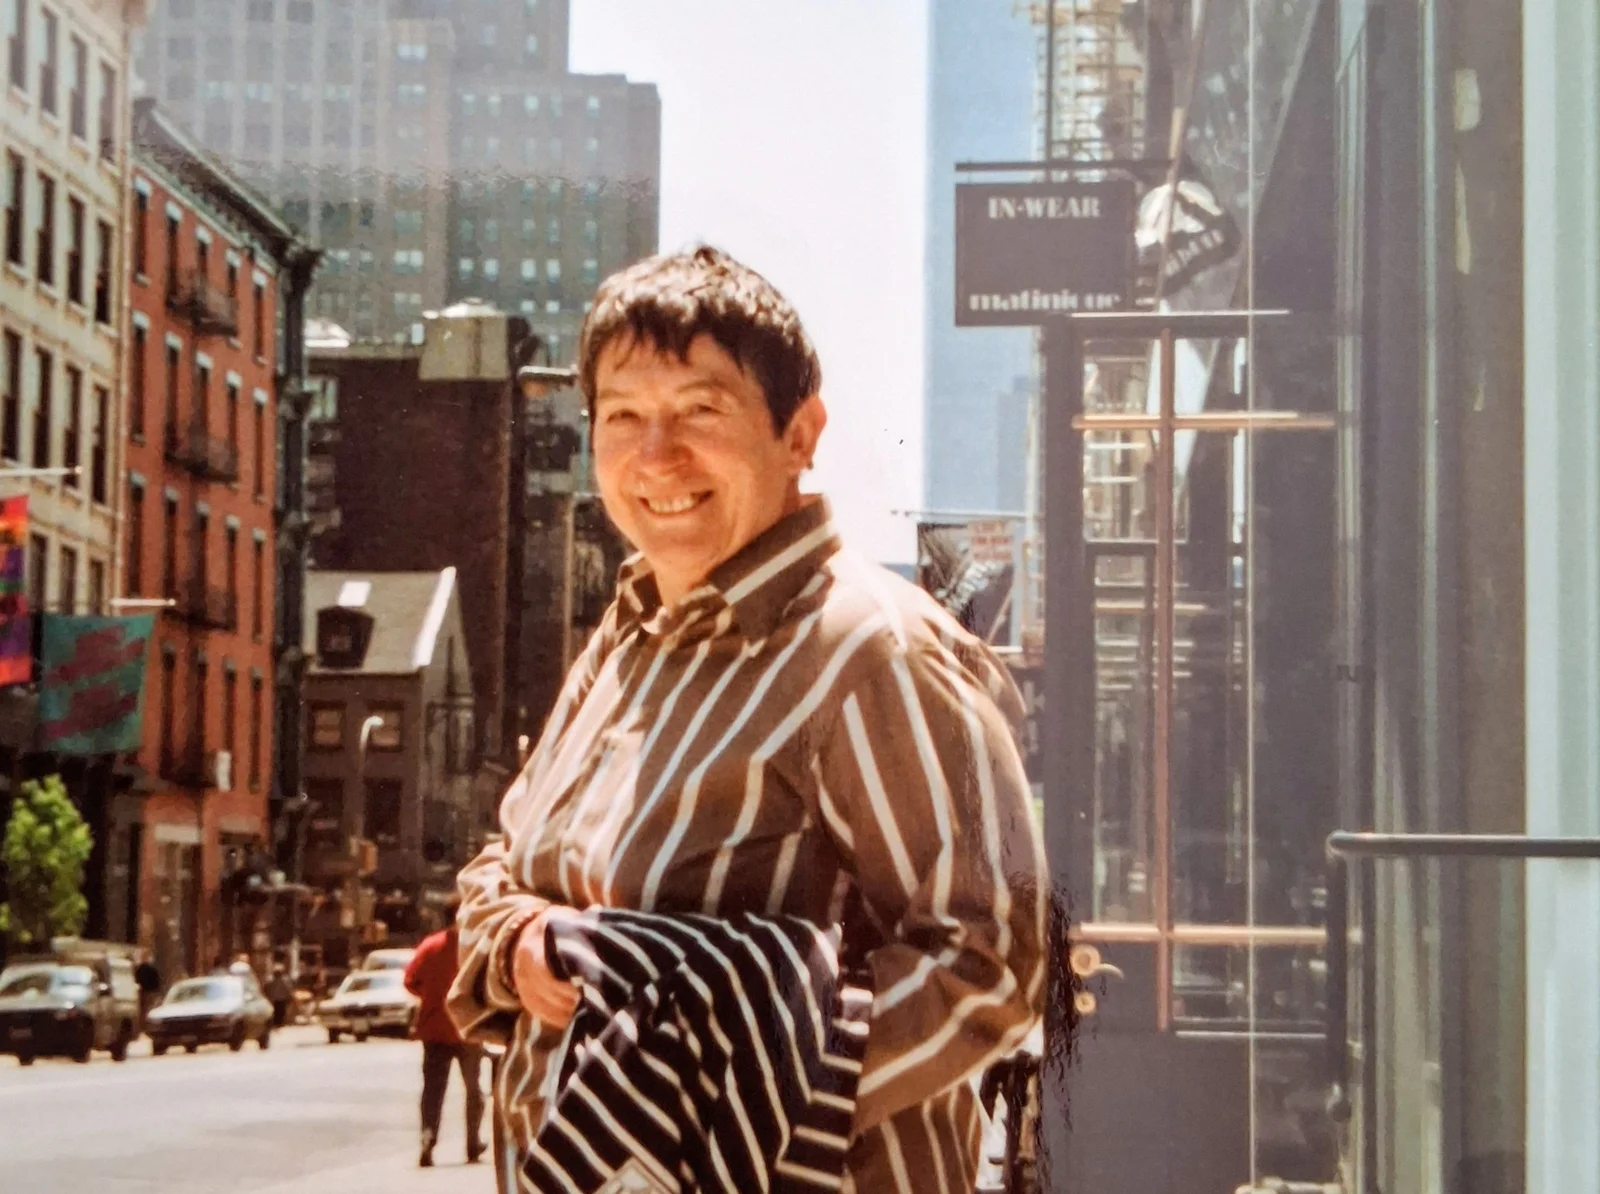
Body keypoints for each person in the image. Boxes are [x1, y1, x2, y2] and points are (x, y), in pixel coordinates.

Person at [448, 246, 1047, 1192]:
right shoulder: (627, 637)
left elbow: (996, 961)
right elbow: (504, 862)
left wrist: (726, 1099)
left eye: (701, 410)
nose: (657, 456)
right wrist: (520, 943)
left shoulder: (874, 651)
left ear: (800, 433)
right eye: (623, 416)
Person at [406, 897, 487, 1169]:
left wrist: (431, 997)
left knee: (432, 1091)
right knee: (474, 1089)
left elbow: (410, 981)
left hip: (434, 1029)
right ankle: (473, 1143)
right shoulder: (474, 948)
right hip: (468, 1029)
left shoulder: (430, 946)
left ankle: (427, 1139)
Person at [133, 952, 162, 1036]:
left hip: (144, 991)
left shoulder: (140, 969)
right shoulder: (151, 969)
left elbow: (136, 980)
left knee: (143, 1009)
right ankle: (146, 1026)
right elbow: (156, 980)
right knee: (148, 1009)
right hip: (149, 991)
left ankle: (143, 1026)